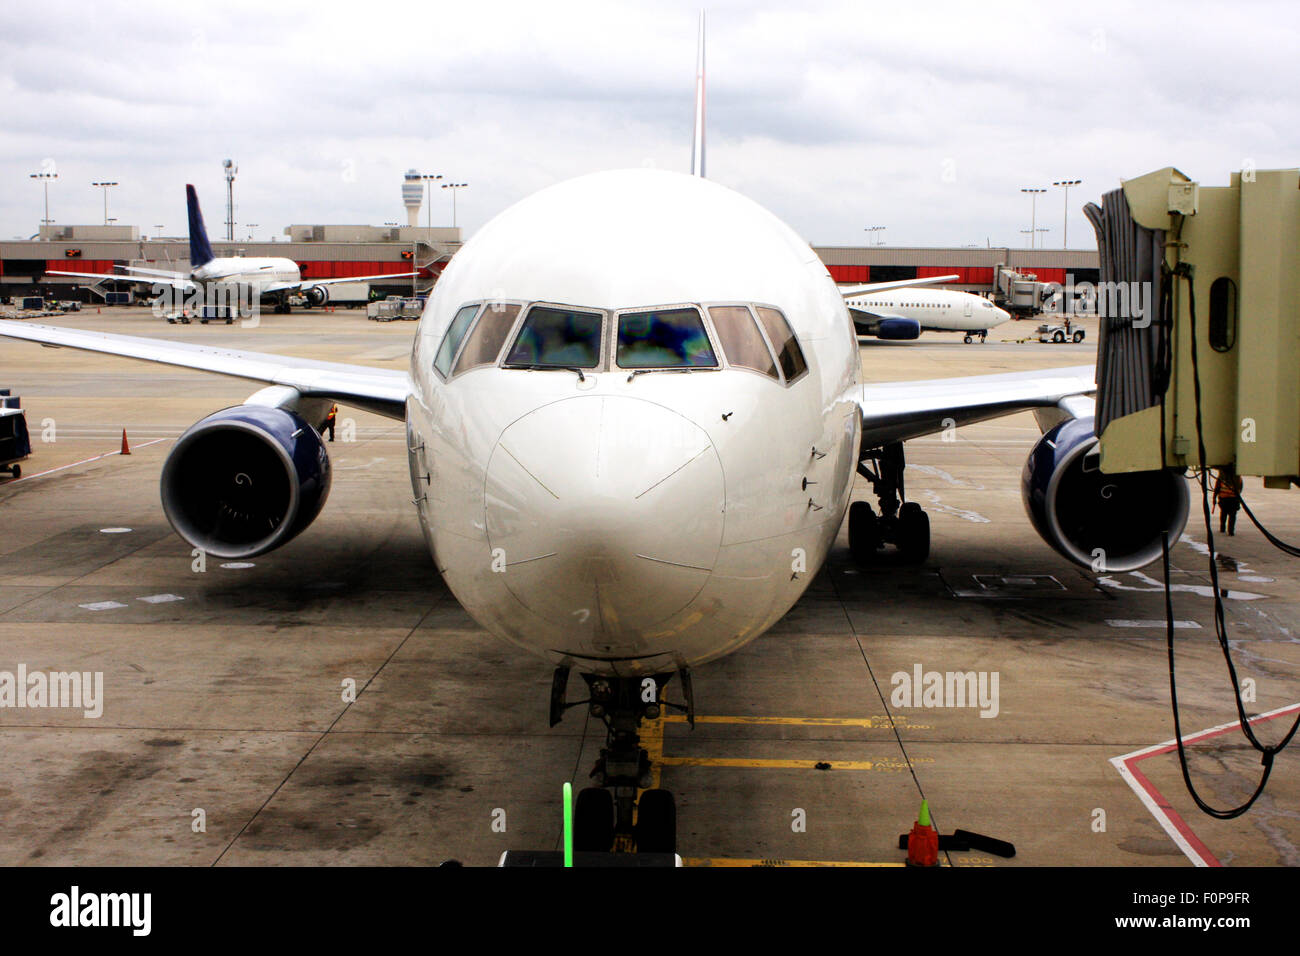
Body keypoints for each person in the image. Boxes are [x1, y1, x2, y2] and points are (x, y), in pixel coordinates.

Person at [1214, 466, 1243, 536]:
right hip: (1233, 499)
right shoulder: (1238, 478)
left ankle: (1222, 528)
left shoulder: (1221, 477)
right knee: (1232, 516)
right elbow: (1240, 488)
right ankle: (1231, 531)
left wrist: (1214, 498)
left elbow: (1217, 488)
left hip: (1224, 499)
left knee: (1223, 514)